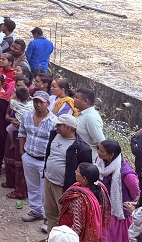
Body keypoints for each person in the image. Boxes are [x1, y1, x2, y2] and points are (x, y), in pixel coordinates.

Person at [21, 91, 57, 224]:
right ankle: (36, 211)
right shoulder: (27, 116)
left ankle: (48, 218)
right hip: (29, 157)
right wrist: (22, 153)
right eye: (36, 101)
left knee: (45, 191)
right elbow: (22, 133)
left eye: (41, 102)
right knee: (32, 187)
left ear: (48, 103)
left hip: (44, 161)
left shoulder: (54, 122)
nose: (38, 105)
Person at [94, 140, 141, 241]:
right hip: (104, 209)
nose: (98, 152)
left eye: (101, 151)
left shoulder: (127, 174)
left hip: (119, 214)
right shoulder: (100, 164)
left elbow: (136, 194)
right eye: (98, 149)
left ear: (111, 155)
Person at [59, 163, 108, 242]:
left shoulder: (78, 197)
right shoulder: (100, 188)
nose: (75, 172)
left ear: (84, 178)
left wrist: (67, 239)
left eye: (77, 171)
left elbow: (77, 226)